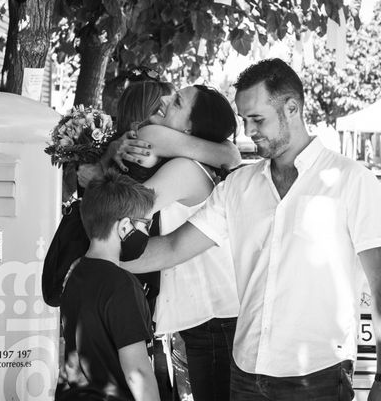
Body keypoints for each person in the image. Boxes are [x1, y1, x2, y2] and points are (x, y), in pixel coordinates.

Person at [123, 58, 381, 401]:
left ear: (292, 108)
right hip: (245, 374)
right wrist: (99, 258)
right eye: (244, 120)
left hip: (317, 378)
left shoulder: (352, 181)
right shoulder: (238, 185)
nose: (248, 131)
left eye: (258, 119)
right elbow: (170, 249)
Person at [81, 79, 241, 401]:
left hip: (209, 321)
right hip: (200, 319)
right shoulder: (194, 162)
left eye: (178, 102)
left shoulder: (185, 168)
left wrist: (99, 182)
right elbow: (167, 250)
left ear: (190, 130)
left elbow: (127, 210)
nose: (166, 100)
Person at [56, 170, 159, 401]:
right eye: (145, 224)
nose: (147, 232)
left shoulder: (74, 272)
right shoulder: (122, 285)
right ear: (124, 227)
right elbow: (138, 373)